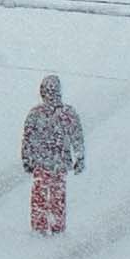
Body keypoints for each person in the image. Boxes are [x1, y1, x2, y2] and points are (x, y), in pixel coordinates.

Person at [20, 71, 85, 240]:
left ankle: (39, 228)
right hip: (58, 163)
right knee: (57, 196)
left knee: (40, 196)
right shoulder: (67, 113)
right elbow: (76, 136)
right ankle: (57, 227)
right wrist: (79, 157)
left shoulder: (35, 114)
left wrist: (27, 158)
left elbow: (27, 138)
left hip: (42, 163)